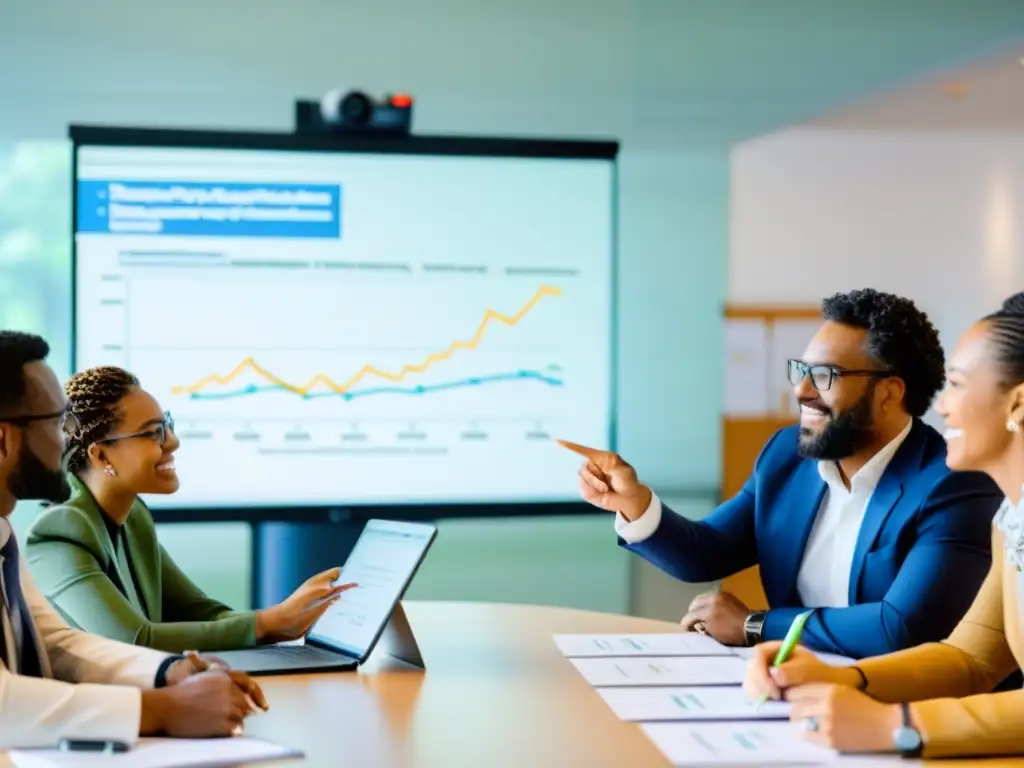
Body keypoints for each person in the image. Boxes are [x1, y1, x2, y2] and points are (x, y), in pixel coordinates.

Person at [560, 288, 1004, 659]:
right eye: (801, 370)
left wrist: (756, 626)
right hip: (797, 689)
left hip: (906, 711)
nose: (802, 390)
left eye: (825, 375)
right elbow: (706, 552)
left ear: (889, 392)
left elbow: (900, 626)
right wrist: (635, 504)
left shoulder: (953, 483)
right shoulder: (787, 457)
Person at [742, 292, 1024, 759]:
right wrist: (841, 677)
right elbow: (972, 658)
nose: (943, 407)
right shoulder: (1010, 517)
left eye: (955, 384)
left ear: (1017, 404)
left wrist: (899, 724)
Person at [0, 330, 268, 748]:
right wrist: (163, 710)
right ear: (3, 439)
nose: (68, 439)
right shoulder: (54, 530)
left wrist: (168, 672)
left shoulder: (3, 534)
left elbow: (54, 645)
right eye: (56, 423)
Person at [25, 365, 356, 653]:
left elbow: (200, 611)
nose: (173, 441)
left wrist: (286, 617)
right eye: (154, 432)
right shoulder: (59, 533)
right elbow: (133, 640)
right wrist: (269, 624)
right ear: (101, 456)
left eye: (166, 425)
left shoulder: (133, 516)